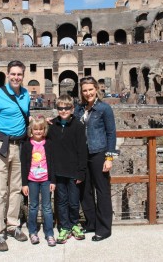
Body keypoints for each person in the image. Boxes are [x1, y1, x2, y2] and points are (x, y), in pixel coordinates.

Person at [0, 60, 30, 251]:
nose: (16, 77)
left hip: (19, 146)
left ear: (23, 75)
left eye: (19, 74)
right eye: (13, 74)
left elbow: (24, 118)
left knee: (16, 189)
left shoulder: (26, 94)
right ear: (8, 74)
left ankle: (12, 226)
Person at [74, 76, 117, 242]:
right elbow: (69, 123)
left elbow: (111, 133)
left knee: (102, 191)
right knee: (84, 191)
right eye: (84, 90)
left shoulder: (104, 109)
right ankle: (91, 223)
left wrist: (110, 157)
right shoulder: (79, 109)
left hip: (99, 153)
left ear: (96, 89)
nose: (88, 93)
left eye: (90, 89)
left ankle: (104, 228)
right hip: (83, 155)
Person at [47, 94, 87, 244]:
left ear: (72, 109)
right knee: (61, 200)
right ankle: (64, 226)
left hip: (73, 171)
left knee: (74, 200)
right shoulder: (52, 126)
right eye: (60, 108)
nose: (63, 111)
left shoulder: (78, 126)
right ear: (56, 109)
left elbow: (82, 150)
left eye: (67, 108)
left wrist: (81, 171)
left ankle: (74, 223)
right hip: (58, 171)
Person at [20, 116, 56, 247]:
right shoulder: (27, 144)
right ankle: (33, 232)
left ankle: (49, 233)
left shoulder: (49, 143)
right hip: (32, 180)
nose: (38, 132)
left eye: (41, 129)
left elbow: (52, 163)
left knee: (47, 207)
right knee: (33, 206)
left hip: (46, 180)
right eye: (35, 129)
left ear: (45, 130)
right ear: (31, 130)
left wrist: (53, 180)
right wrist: (24, 183)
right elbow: (24, 165)